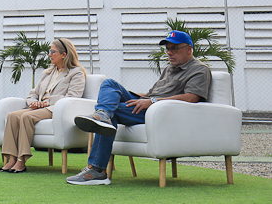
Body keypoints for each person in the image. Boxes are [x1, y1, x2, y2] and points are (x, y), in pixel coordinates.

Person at [67, 30, 212, 186]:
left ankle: (96, 170)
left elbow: (191, 97)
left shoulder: (200, 70)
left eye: (174, 49)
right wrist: (135, 97)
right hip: (149, 104)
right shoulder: (169, 69)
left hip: (160, 111)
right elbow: (151, 94)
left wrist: (152, 101)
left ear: (189, 49)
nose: (170, 53)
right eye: (168, 49)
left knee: (112, 112)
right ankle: (102, 113)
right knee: (110, 84)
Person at [0, 37, 86, 173]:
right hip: (40, 107)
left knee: (27, 117)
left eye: (53, 51)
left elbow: (73, 97)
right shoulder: (48, 73)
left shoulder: (76, 73)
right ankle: (11, 159)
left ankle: (21, 160)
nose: (49, 54)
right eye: (49, 51)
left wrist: (46, 102)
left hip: (55, 108)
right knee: (12, 116)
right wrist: (33, 102)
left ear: (64, 54)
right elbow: (33, 93)